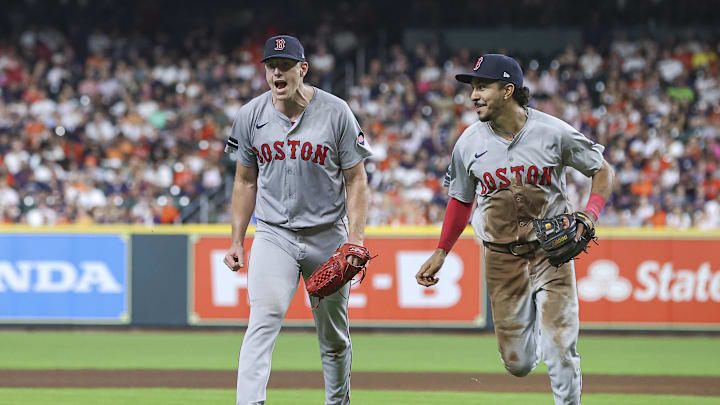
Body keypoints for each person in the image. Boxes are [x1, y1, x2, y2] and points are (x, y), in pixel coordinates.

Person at [415, 54, 614, 405]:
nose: (473, 95)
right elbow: (461, 200)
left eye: (482, 86)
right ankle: (538, 336)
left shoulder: (553, 131)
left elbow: (602, 170)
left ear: (508, 90)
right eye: (472, 87)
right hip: (501, 259)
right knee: (519, 363)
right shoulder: (468, 143)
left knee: (560, 348)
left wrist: (590, 214)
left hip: (551, 255)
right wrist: (441, 250)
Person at [223, 35, 372, 405]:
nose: (277, 71)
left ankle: (338, 402)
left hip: (327, 237)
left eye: (285, 65)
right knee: (263, 319)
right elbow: (244, 181)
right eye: (271, 65)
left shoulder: (336, 111)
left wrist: (356, 238)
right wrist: (236, 240)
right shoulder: (250, 116)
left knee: (334, 335)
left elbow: (356, 179)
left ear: (301, 69)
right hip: (275, 234)